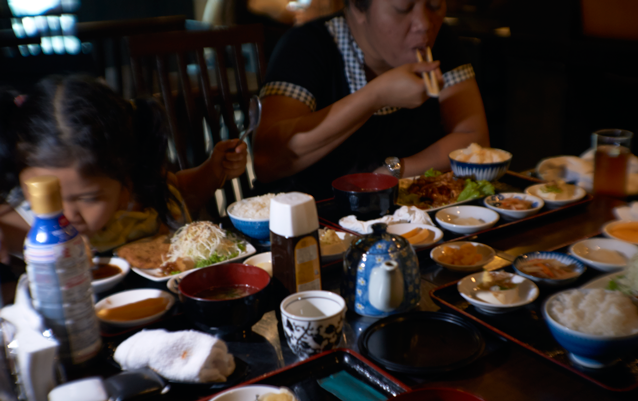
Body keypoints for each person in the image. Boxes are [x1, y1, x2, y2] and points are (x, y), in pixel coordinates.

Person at [252, 0, 489, 199]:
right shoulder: (307, 46)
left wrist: (394, 171)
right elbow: (266, 160)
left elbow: (473, 138)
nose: (424, 24)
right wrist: (376, 95)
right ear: (357, 7)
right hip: (316, 227)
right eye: (403, 8)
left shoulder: (438, 42)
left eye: (435, 5)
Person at [0, 75, 248, 257]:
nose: (68, 213)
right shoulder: (22, 226)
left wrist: (214, 170)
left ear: (124, 182)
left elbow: (179, 193)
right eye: (48, 196)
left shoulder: (140, 188)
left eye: (88, 198)